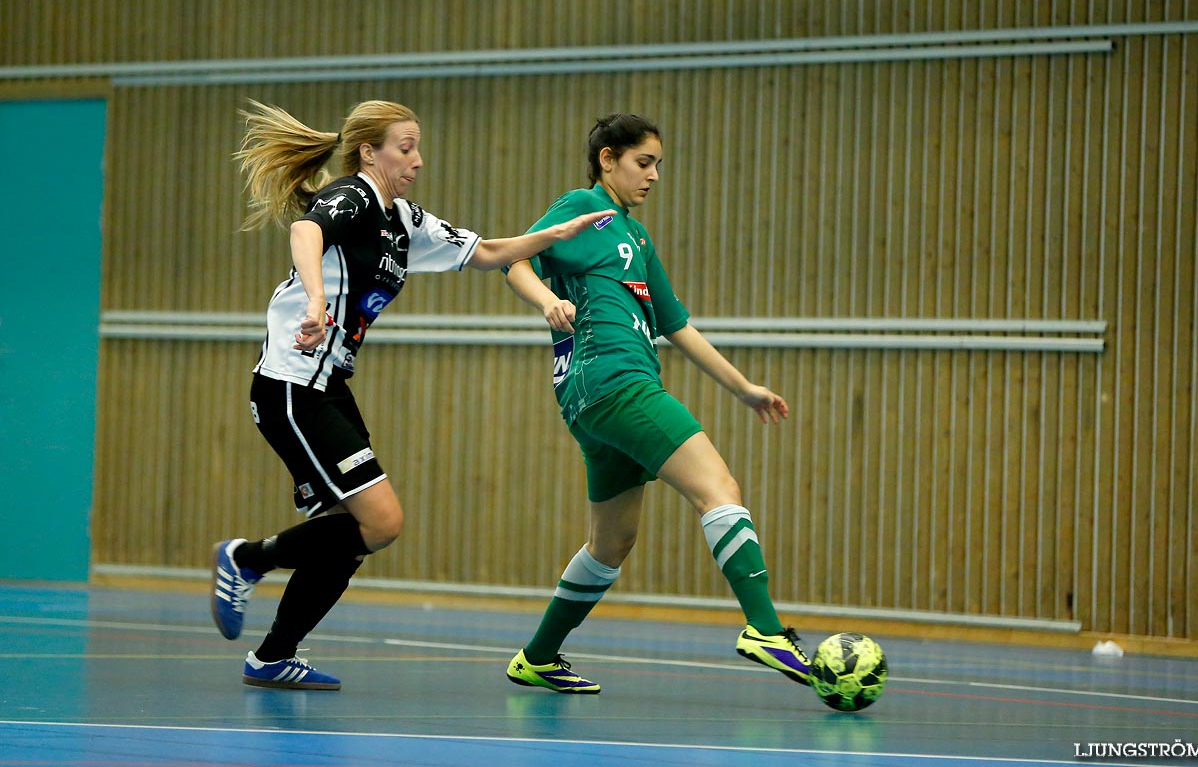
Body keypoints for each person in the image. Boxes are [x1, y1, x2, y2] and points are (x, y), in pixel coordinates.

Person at [212, 99, 609, 691]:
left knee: (346, 538)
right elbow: (305, 230)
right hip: (293, 385)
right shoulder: (350, 198)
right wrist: (317, 302)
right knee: (382, 522)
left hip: (328, 386)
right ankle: (246, 559)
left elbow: (493, 253)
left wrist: (560, 232)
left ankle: (272, 656)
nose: (417, 160)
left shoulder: (405, 223)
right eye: (405, 147)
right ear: (369, 152)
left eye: (418, 146)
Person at [501, 113, 809, 695]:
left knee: (611, 543)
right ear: (607, 159)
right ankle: (765, 629)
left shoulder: (637, 239)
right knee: (718, 490)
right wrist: (546, 299)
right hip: (615, 382)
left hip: (594, 398)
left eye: (658, 165)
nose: (654, 176)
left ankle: (538, 657)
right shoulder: (579, 206)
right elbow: (514, 259)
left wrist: (743, 387)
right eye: (644, 163)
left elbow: (677, 326)